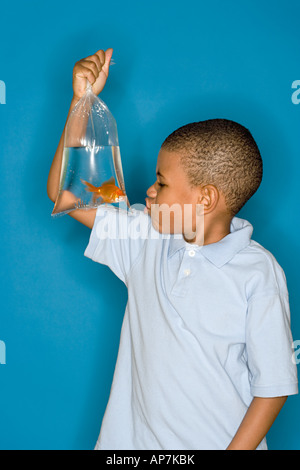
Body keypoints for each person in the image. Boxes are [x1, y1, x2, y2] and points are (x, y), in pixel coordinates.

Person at [47, 48, 298, 450]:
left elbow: (274, 386)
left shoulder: (259, 273)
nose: (149, 191)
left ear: (205, 199)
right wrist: (81, 104)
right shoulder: (144, 238)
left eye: (161, 183)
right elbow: (68, 195)